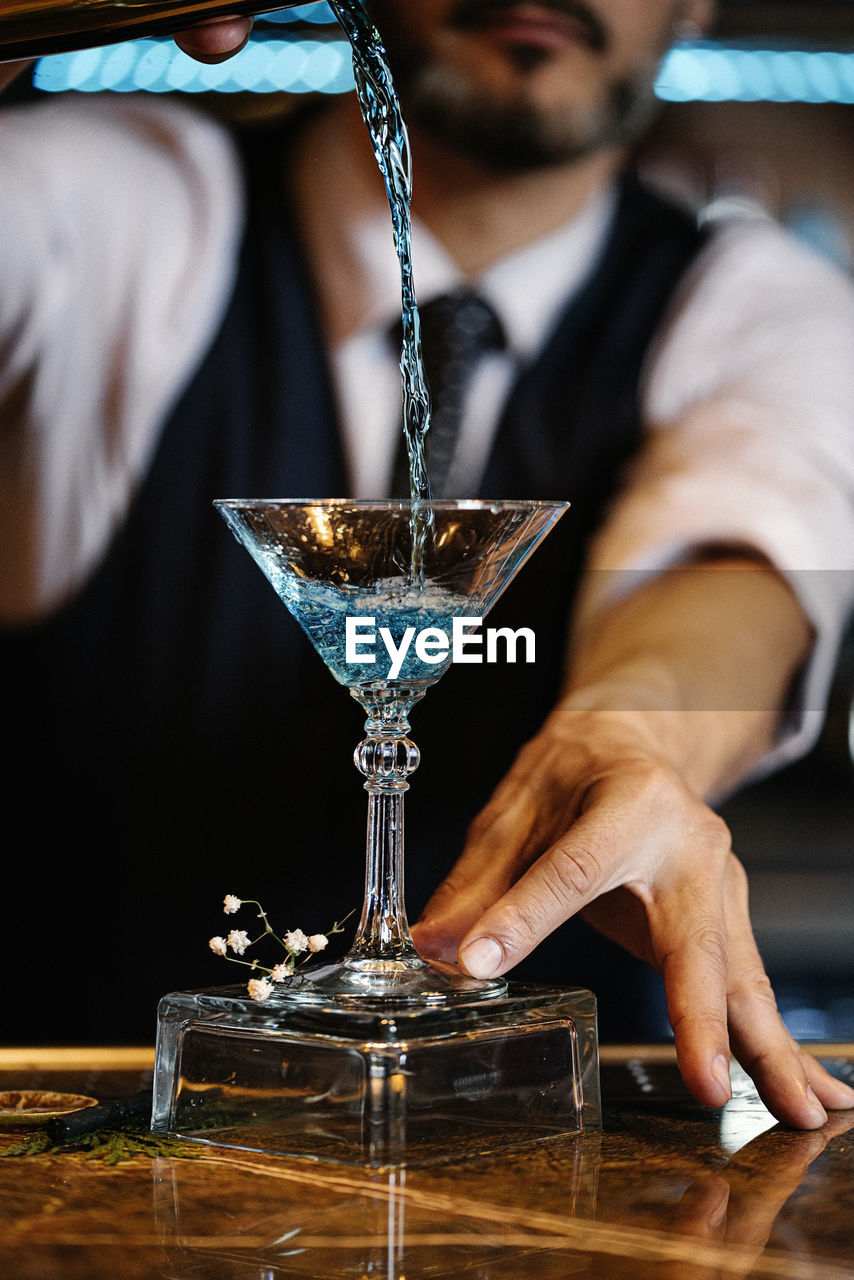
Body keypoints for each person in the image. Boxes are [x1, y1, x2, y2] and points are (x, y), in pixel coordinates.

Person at [1, 0, 853, 1131]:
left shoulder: (763, 303)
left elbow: (738, 548)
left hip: (546, 1157)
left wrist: (635, 733)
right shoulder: (107, 195)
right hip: (76, 1131)